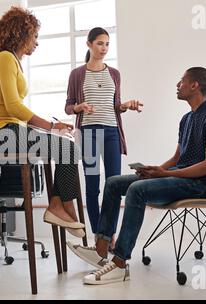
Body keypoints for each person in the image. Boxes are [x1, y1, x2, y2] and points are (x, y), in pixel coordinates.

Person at [68, 67, 206, 284]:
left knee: (137, 189)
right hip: (178, 177)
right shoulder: (186, 119)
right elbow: (177, 158)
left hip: (199, 184)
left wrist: (164, 173)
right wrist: (155, 171)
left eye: (181, 81)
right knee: (114, 183)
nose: (177, 85)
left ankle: (120, 263)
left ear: (195, 85)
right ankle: (101, 249)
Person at [0, 6, 85, 238]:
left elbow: (14, 111)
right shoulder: (5, 58)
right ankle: (62, 207)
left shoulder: (13, 62)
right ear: (22, 33)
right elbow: (13, 107)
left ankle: (59, 205)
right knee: (68, 148)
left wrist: (51, 128)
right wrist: (51, 126)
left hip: (9, 130)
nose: (37, 42)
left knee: (67, 148)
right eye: (35, 36)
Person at [65, 27, 143, 247]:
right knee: (92, 187)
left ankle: (110, 235)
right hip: (89, 134)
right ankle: (99, 235)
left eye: (107, 44)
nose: (104, 48)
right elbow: (68, 107)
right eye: (100, 43)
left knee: (115, 185)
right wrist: (79, 106)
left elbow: (116, 105)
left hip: (111, 133)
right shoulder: (77, 74)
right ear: (89, 44)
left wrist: (125, 106)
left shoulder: (114, 74)